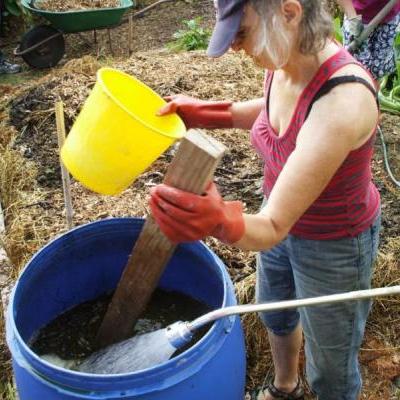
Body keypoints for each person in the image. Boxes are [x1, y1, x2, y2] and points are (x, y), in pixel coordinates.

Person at [150, 0, 381, 399]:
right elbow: (277, 111)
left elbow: (273, 226)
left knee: (331, 361)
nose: (237, 48)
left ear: (289, 12)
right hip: (276, 217)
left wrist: (218, 221)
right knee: (275, 311)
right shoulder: (285, 61)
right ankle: (285, 386)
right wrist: (208, 112)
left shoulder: (344, 102)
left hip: (332, 245)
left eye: (242, 33)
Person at [337, 0, 400, 79]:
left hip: (390, 14)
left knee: (380, 68)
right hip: (357, 16)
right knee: (356, 68)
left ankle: (375, 88)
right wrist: (352, 18)